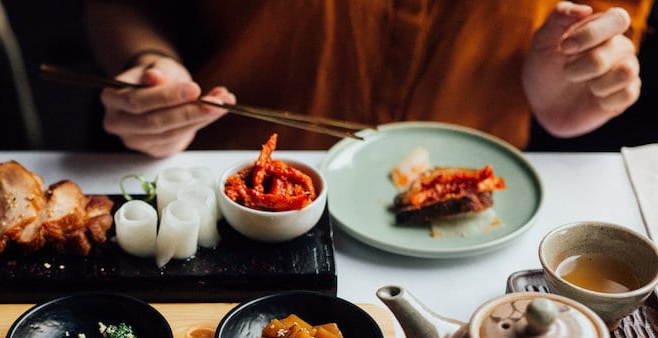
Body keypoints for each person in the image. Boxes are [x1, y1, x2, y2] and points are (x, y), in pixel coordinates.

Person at [83, 1, 652, 157]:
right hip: (227, 178)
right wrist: (154, 66)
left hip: (471, 217)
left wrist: (576, 81)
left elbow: (595, 32)